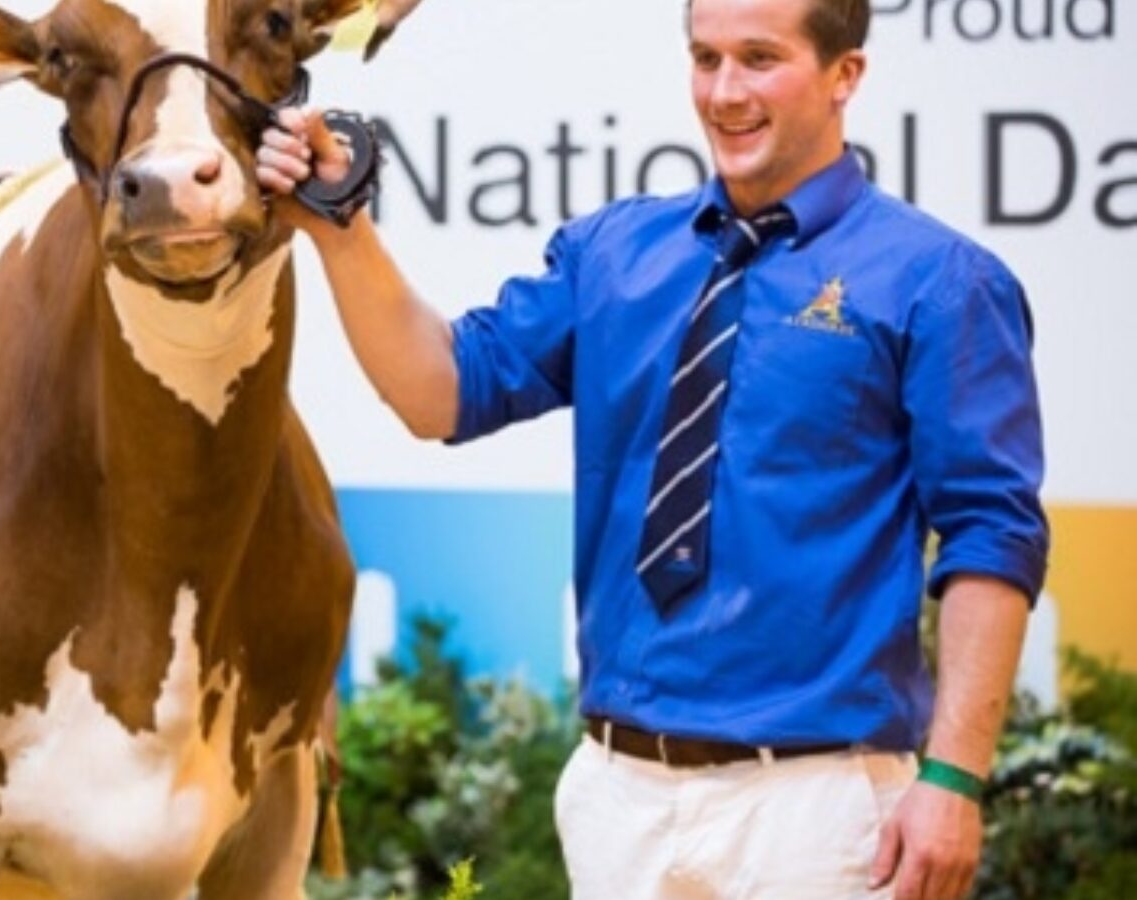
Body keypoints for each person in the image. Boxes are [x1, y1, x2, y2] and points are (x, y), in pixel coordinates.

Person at [259, 0, 1048, 897]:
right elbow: (439, 392)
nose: (724, 92)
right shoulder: (614, 254)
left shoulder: (938, 281)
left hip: (820, 808)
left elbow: (993, 536)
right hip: (618, 797)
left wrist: (951, 779)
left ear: (845, 76)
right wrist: (340, 230)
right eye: (705, 58)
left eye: (759, 59)